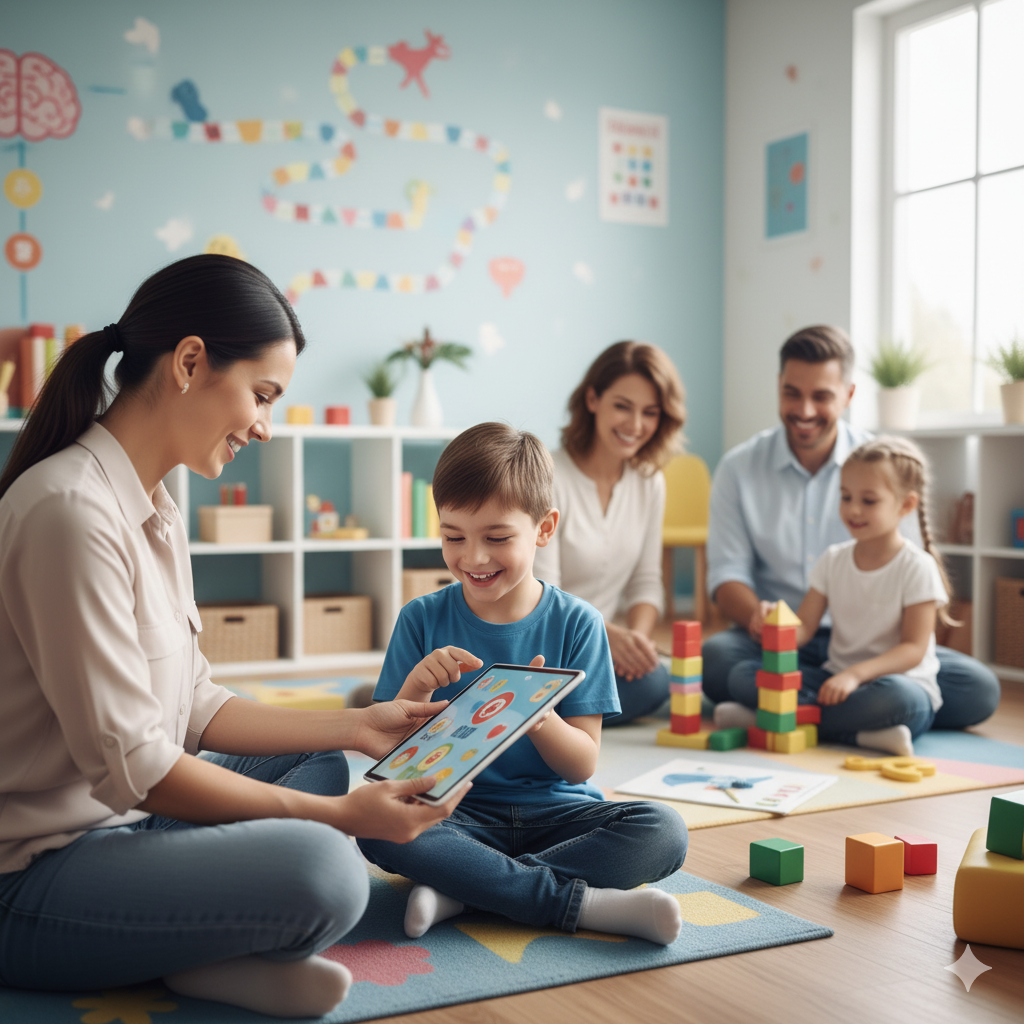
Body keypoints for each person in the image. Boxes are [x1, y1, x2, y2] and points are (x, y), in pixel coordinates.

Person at [0, 255, 465, 1019]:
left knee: (316, 757)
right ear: (189, 363)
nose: (265, 427)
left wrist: (356, 726)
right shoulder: (69, 512)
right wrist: (342, 821)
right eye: (262, 395)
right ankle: (198, 946)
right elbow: (141, 769)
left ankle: (195, 953)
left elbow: (193, 704)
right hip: (36, 879)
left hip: (128, 825)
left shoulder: (153, 501)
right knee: (328, 870)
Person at [359, 423, 688, 944]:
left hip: (559, 812)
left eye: (496, 537)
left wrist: (539, 718)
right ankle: (576, 903)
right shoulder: (419, 620)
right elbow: (395, 759)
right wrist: (418, 688)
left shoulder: (579, 622)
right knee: (377, 826)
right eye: (453, 537)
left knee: (664, 831)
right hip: (455, 813)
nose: (473, 558)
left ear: (544, 528)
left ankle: (466, 890)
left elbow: (581, 762)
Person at [703, 325, 999, 730]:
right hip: (787, 645)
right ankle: (864, 716)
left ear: (849, 394)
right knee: (720, 662)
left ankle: (783, 711)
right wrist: (761, 616)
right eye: (792, 392)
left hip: (879, 651)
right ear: (778, 386)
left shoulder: (883, 467)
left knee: (978, 689)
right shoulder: (738, 468)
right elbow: (726, 573)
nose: (805, 410)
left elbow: (911, 621)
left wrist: (862, 672)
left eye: (821, 396)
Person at [717, 437, 953, 756]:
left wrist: (855, 675)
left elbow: (913, 650)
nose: (853, 509)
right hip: (832, 681)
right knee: (744, 676)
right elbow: (804, 629)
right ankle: (863, 736)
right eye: (845, 497)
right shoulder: (833, 560)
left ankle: (768, 719)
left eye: (869, 501)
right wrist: (775, 623)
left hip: (895, 684)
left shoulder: (917, 567)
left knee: (901, 701)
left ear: (906, 505)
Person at [533, 342, 686, 724]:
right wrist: (604, 636)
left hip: (605, 652)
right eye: (623, 406)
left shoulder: (650, 483)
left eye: (649, 412)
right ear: (592, 399)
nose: (635, 425)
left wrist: (637, 642)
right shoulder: (548, 477)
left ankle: (540, 718)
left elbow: (647, 581)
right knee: (656, 688)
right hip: (547, 645)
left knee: (661, 678)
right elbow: (541, 593)